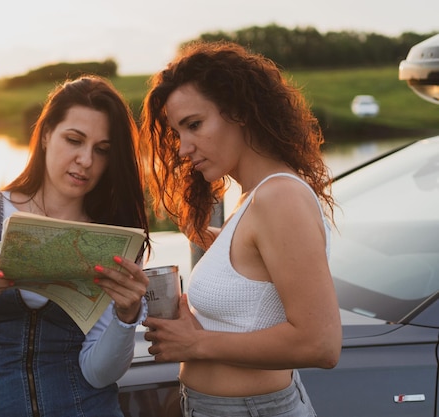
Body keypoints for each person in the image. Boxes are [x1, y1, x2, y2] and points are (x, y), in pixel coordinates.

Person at [140, 41, 342, 417]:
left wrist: (196, 344)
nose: (183, 148)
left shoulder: (279, 197)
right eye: (178, 132)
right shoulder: (254, 196)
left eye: (194, 125)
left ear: (239, 112)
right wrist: (212, 242)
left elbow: (321, 343)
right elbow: (258, 273)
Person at [0, 75, 151, 417]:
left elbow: (98, 372)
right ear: (46, 134)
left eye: (102, 150)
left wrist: (126, 317)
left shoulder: (112, 238)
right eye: (74, 140)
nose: (86, 160)